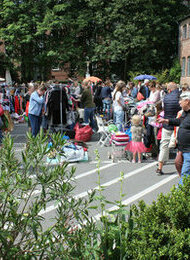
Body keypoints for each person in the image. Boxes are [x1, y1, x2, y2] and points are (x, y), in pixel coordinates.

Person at [158, 91, 190, 185]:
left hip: (188, 149)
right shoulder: (185, 113)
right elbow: (180, 121)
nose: (179, 102)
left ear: (187, 101)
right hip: (182, 149)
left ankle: (181, 193)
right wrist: (166, 121)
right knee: (178, 164)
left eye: (181, 100)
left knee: (185, 173)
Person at [156, 82, 181, 175]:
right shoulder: (180, 97)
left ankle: (160, 167)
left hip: (166, 123)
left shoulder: (165, 98)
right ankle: (180, 169)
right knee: (179, 146)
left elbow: (163, 109)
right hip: (177, 124)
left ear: (169, 90)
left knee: (163, 145)